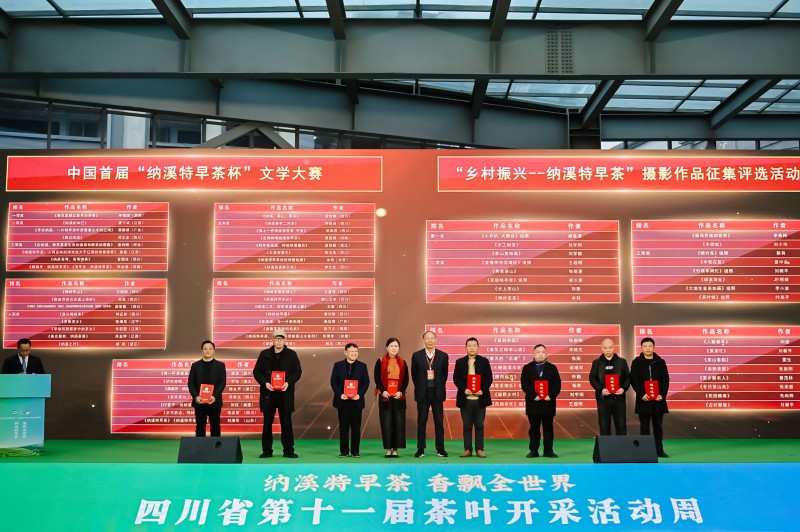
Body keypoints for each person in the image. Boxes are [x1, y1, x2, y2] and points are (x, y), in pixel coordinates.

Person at [253, 329, 302, 458]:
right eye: (276, 338)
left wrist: (288, 382)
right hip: (268, 394)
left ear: (285, 340)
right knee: (267, 423)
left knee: (286, 423)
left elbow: (298, 371)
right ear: (273, 339)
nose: (279, 341)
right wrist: (265, 383)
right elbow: (256, 372)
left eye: (281, 339)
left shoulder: (291, 354)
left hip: (285, 394)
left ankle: (288, 450)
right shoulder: (264, 354)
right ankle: (267, 450)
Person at [411, 330, 449, 457]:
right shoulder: (417, 355)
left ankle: (440, 449)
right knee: (421, 422)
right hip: (423, 392)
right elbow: (414, 375)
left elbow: (445, 375)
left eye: (432, 338)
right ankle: (420, 449)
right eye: (427, 338)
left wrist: (438, 385)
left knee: (439, 422)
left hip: (437, 393)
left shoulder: (443, 356)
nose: (430, 340)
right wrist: (421, 385)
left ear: (436, 340)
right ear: (424, 340)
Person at [630, 337, 670, 458]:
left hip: (658, 400)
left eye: (650, 346)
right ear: (641, 348)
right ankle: (645, 451)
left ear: (653, 347)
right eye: (645, 346)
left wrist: (662, 394)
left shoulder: (660, 362)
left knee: (658, 426)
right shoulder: (636, 362)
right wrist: (642, 394)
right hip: (643, 399)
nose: (647, 348)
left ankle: (659, 450)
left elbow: (666, 380)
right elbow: (634, 380)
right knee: (644, 427)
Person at [452, 337, 493, 458]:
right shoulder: (460, 362)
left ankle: (479, 449)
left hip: (480, 399)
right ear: (466, 348)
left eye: (474, 346)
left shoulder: (484, 361)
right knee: (467, 426)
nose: (472, 348)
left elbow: (489, 378)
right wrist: (464, 389)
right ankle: (467, 449)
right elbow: (456, 378)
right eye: (469, 346)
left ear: (478, 347)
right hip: (466, 400)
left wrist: (483, 390)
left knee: (479, 425)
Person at [521, 344, 561, 458]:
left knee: (548, 428)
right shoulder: (527, 368)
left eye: (543, 352)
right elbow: (524, 384)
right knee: (534, 429)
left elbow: (557, 384)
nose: (540, 354)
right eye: (538, 352)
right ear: (533, 354)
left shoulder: (552, 368)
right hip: (533, 403)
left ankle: (548, 451)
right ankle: (533, 451)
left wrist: (550, 395)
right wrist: (533, 395)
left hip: (548, 403)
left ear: (546, 354)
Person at [330, 343, 370, 457]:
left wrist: (360, 394)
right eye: (352, 351)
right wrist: (340, 394)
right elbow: (333, 381)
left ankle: (355, 451)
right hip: (343, 401)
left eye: (356, 351)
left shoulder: (362, 366)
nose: (354, 353)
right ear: (345, 352)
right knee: (343, 428)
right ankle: (344, 451)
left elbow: (366, 382)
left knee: (356, 428)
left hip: (356, 402)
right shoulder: (338, 365)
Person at [374, 337, 410, 458]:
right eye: (391, 346)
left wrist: (401, 391)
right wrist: (383, 391)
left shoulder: (403, 362)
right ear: (387, 348)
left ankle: (395, 449)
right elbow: (376, 378)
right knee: (386, 423)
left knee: (399, 423)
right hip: (385, 396)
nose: (394, 348)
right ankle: (388, 449)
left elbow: (406, 379)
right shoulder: (380, 361)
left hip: (399, 397)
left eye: (396, 346)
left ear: (399, 348)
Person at [589, 337, 630, 435]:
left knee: (621, 425)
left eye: (610, 347)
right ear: (601, 348)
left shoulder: (622, 362)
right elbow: (592, 378)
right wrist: (600, 390)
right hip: (603, 399)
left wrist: (623, 388)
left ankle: (621, 445)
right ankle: (606, 445)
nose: (608, 350)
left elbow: (628, 377)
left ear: (614, 348)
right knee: (604, 425)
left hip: (619, 399)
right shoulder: (596, 363)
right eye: (605, 348)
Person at [187, 340, 227, 437]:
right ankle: (200, 446)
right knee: (200, 426)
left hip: (214, 401)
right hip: (199, 401)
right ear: (202, 351)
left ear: (214, 351)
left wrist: (215, 396)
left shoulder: (220, 365)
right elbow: (190, 383)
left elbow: (222, 383)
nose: (207, 351)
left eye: (210, 349)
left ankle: (216, 446)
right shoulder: (195, 365)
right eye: (205, 349)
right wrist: (196, 396)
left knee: (215, 426)